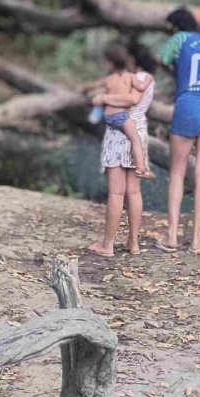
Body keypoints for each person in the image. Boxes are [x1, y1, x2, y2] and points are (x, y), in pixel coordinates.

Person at [158, 6, 200, 255]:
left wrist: (175, 69)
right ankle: (197, 239)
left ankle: (172, 237)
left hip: (189, 104)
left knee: (177, 173)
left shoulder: (179, 38)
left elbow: (162, 58)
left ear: (175, 26)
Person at [87, 42, 156, 258]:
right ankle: (133, 242)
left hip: (120, 133)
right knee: (134, 191)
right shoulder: (146, 79)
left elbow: (130, 99)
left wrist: (104, 98)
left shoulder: (132, 78)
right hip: (139, 130)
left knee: (116, 192)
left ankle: (107, 245)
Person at [84, 41, 154, 179]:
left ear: (110, 63)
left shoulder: (108, 79)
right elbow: (137, 93)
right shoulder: (130, 78)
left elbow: (91, 86)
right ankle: (142, 168)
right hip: (121, 117)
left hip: (109, 118)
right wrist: (148, 80)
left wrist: (87, 90)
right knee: (135, 140)